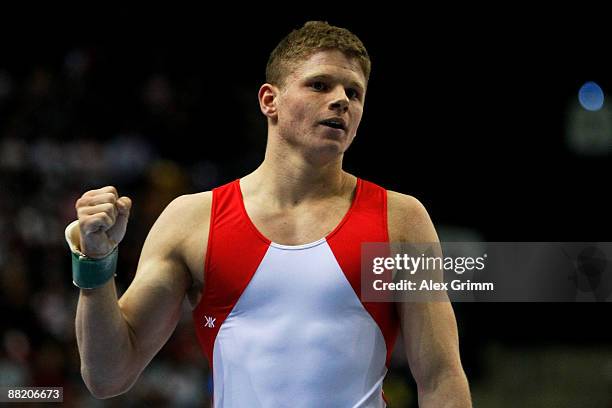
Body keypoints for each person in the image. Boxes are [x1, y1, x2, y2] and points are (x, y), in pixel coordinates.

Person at [66, 21, 471, 407]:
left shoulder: (400, 220)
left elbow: (440, 376)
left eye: (355, 92)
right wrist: (96, 265)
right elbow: (107, 377)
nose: (341, 101)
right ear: (269, 100)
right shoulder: (192, 221)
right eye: (320, 84)